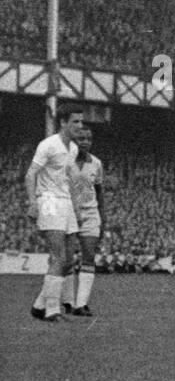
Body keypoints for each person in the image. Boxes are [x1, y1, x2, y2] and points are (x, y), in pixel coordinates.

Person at [26, 101, 85, 323]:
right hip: (49, 200)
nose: (80, 125)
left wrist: (77, 205)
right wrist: (33, 202)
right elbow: (30, 174)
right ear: (63, 122)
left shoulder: (73, 148)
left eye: (81, 121)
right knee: (58, 256)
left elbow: (70, 178)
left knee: (69, 259)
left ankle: (39, 305)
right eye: (75, 121)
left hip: (66, 202)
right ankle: (52, 309)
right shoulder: (48, 145)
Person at [66, 125, 106, 316]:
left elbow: (99, 193)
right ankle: (68, 301)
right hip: (69, 213)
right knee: (66, 259)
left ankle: (81, 304)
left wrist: (103, 217)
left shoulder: (96, 163)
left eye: (89, 139)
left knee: (88, 256)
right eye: (81, 139)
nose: (85, 142)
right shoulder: (65, 161)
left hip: (90, 214)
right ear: (74, 140)